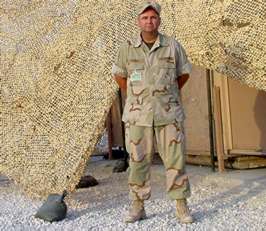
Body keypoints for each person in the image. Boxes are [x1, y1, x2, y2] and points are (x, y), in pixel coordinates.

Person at [112, 1, 193, 224]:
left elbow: (183, 74)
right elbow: (119, 76)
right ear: (139, 21)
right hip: (138, 116)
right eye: (145, 17)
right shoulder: (127, 48)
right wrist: (139, 96)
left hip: (169, 115)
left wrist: (164, 95)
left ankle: (181, 205)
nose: (150, 21)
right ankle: (138, 206)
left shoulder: (172, 46)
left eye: (153, 17)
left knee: (175, 161)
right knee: (137, 161)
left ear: (159, 20)